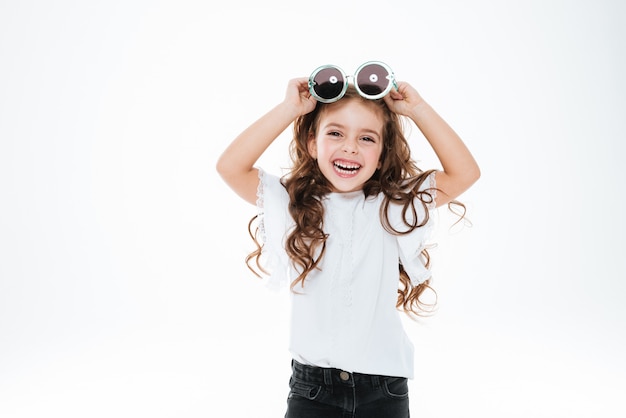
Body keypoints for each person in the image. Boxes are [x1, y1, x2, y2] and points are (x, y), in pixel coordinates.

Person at [216, 62, 480, 418]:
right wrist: (289, 110)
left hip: (383, 389)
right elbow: (230, 167)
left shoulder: (394, 205)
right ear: (312, 143)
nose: (351, 148)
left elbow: (465, 173)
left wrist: (417, 110)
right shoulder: (292, 203)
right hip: (313, 391)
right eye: (335, 133)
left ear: (383, 153)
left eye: (366, 138)